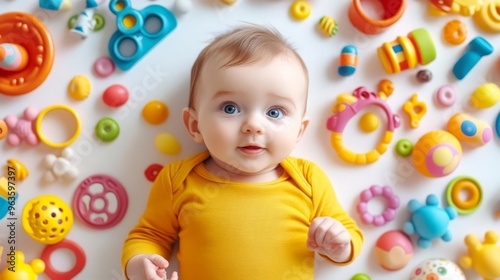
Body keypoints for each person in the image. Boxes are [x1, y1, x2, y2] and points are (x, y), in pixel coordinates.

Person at [121, 25, 364, 280]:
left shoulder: (308, 180)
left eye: (274, 112)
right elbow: (149, 236)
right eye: (230, 108)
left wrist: (339, 243)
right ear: (195, 125)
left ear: (299, 132)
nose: (254, 125)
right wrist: (139, 264)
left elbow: (350, 235)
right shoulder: (178, 181)